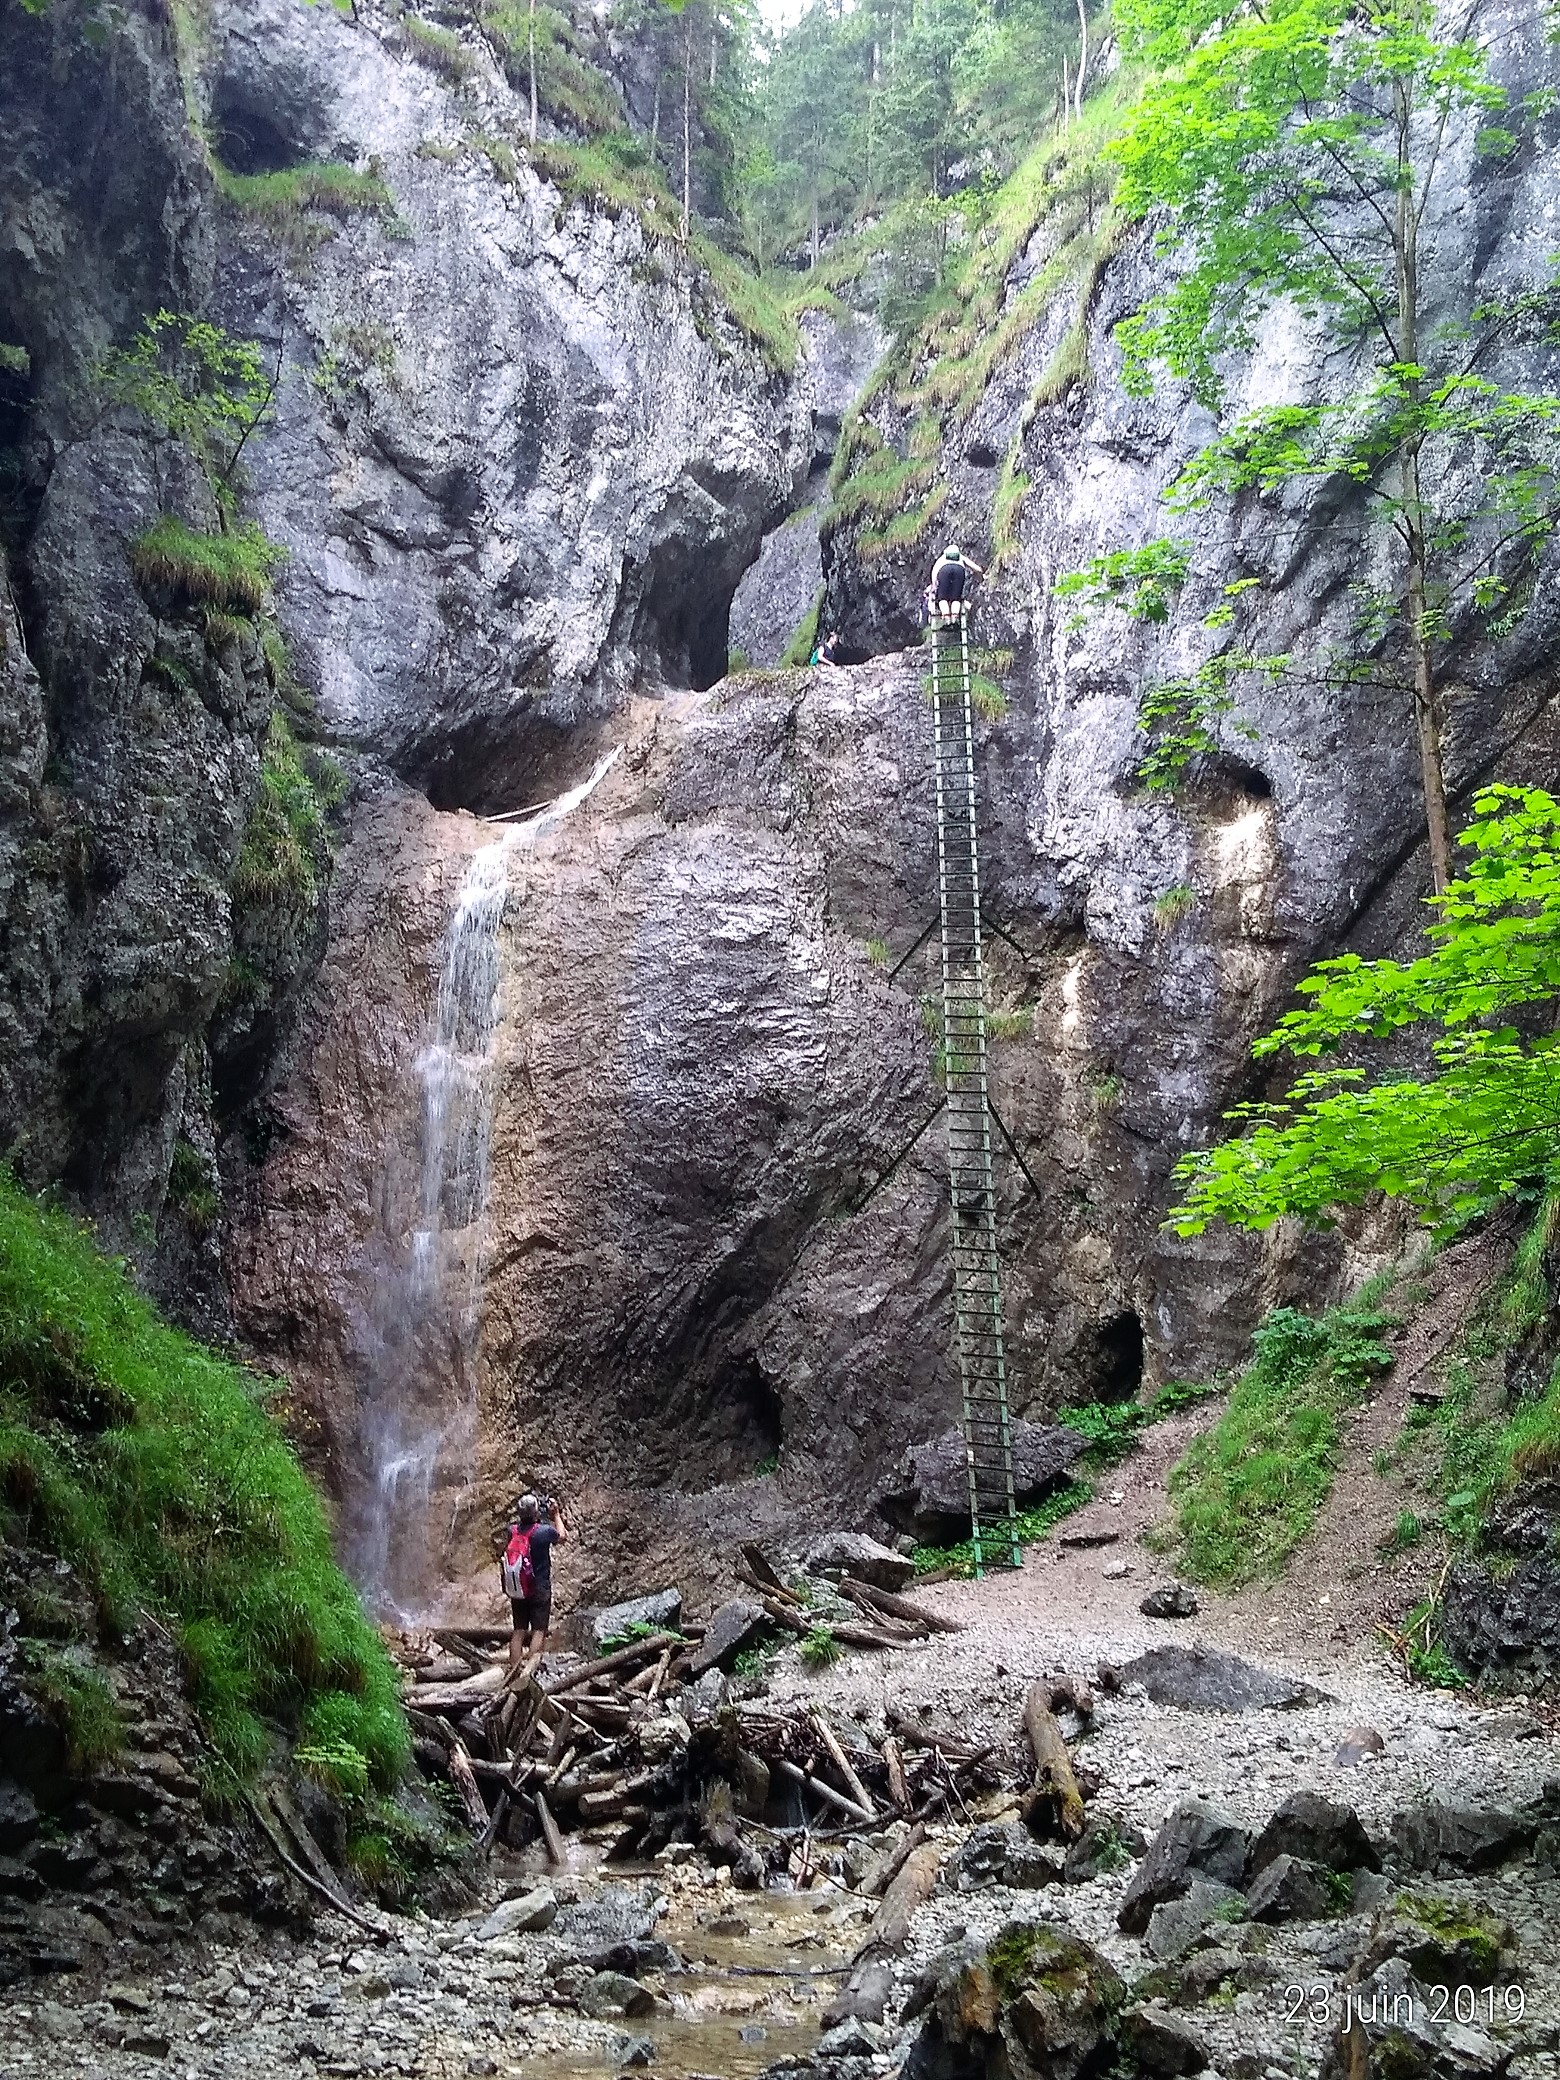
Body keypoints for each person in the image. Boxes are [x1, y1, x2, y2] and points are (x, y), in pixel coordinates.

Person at [500, 1492, 567, 1674]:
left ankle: (514, 1671)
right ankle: (529, 1672)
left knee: (519, 1630)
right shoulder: (543, 1532)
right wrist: (556, 1515)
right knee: (539, 1630)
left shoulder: (511, 1530)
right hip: (539, 1587)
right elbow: (562, 1536)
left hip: (519, 1587)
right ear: (537, 1512)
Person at [927, 544, 984, 624]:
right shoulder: (961, 557)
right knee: (956, 598)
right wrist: (982, 577)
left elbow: (934, 572)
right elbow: (977, 569)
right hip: (959, 570)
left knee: (942, 598)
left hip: (944, 570)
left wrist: (934, 586)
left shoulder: (942, 559)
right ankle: (954, 619)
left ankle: (947, 620)